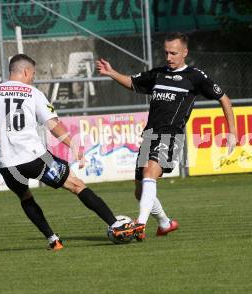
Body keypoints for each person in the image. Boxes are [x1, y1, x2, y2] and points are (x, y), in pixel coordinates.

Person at [0, 54, 134, 251]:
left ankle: (52, 239)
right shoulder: (34, 93)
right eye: (32, 74)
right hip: (35, 159)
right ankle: (115, 224)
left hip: (7, 165)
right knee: (77, 186)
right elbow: (53, 125)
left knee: (25, 197)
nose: (32, 78)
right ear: (24, 72)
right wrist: (74, 145)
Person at [96, 32, 237, 241]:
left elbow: (224, 98)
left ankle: (139, 225)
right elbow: (134, 83)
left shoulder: (195, 77)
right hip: (150, 135)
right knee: (139, 190)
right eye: (166, 53)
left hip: (171, 135)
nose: (169, 57)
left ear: (185, 52)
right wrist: (112, 73)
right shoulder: (158, 74)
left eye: (173, 53)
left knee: (150, 172)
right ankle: (165, 223)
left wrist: (232, 131)